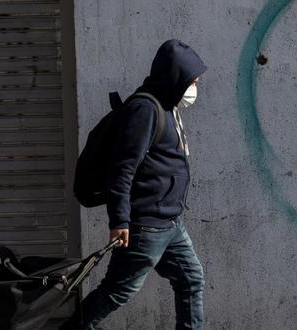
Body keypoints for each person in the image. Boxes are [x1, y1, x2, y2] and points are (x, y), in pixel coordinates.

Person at [62, 39, 207, 330]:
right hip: (146, 226)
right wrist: (120, 220)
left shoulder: (167, 104)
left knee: (191, 280)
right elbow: (123, 168)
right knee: (117, 292)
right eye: (192, 81)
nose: (195, 87)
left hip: (170, 223)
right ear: (175, 76)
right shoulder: (145, 110)